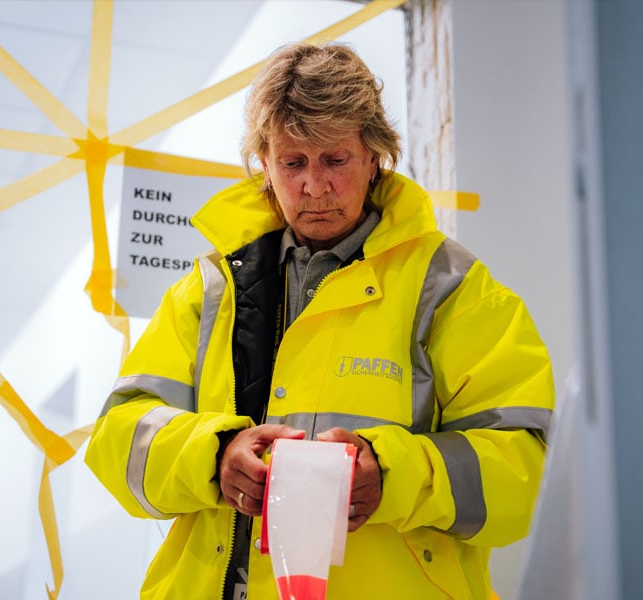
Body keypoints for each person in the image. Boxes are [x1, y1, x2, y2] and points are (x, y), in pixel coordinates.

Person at [85, 42, 554, 599]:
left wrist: (396, 476)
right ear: (265, 161)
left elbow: (530, 469)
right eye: (292, 163)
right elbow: (118, 436)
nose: (313, 186)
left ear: (375, 157)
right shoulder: (209, 290)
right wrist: (212, 456)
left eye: (334, 160)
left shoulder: (452, 289)